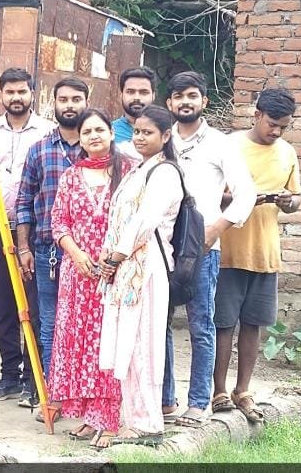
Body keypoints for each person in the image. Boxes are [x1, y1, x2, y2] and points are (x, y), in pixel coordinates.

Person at [164, 71, 257, 428]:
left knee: (201, 325)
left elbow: (245, 193)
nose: (185, 102)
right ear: (169, 102)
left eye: (192, 95)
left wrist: (216, 228)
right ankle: (166, 400)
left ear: (204, 101)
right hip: (164, 246)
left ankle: (199, 402)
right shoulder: (163, 138)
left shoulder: (221, 143)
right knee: (161, 324)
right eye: (178, 96)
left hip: (203, 248)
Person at [98, 104, 184, 447]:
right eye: (136, 132)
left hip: (147, 269)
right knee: (128, 345)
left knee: (143, 345)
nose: (140, 138)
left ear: (165, 135)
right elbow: (118, 219)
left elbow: (144, 222)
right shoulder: (138, 170)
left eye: (148, 133)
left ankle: (147, 423)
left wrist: (115, 257)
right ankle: (130, 419)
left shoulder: (165, 173)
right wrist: (110, 256)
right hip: (125, 268)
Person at [214, 88, 301, 423]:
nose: (276, 131)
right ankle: (219, 391)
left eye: (283, 127)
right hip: (227, 250)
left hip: (265, 252)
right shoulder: (229, 146)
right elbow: (211, 195)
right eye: (272, 124)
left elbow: (296, 198)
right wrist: (246, 198)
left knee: (254, 324)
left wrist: (287, 201)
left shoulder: (288, 153)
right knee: (223, 323)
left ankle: (243, 390)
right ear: (257, 115)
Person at [48, 108, 135, 447]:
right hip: (78, 275)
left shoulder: (129, 172)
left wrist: (112, 257)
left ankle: (110, 420)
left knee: (108, 345)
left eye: (100, 129)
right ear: (80, 140)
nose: (94, 136)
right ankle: (89, 415)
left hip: (115, 273)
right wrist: (78, 255)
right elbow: (59, 222)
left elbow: (135, 220)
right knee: (79, 344)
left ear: (112, 133)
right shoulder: (72, 176)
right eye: (87, 132)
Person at [0, 68, 55, 406]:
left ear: (32, 93)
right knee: (3, 306)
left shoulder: (47, 132)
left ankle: (32, 379)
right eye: (10, 92)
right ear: (1, 95)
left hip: (33, 230)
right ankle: (8, 374)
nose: (16, 97)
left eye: (22, 91)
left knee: (34, 308)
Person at [15, 77, 89, 391]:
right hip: (48, 251)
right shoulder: (39, 150)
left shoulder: (97, 148)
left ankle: (80, 391)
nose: (69, 105)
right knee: (48, 323)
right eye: (63, 99)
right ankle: (51, 392)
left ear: (86, 102)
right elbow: (24, 201)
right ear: (53, 103)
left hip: (89, 254)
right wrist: (24, 248)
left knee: (84, 324)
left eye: (76, 99)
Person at [111, 67, 156, 143]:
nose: (136, 98)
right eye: (130, 92)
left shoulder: (164, 132)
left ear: (153, 96)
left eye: (144, 92)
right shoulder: (109, 132)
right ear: (121, 96)